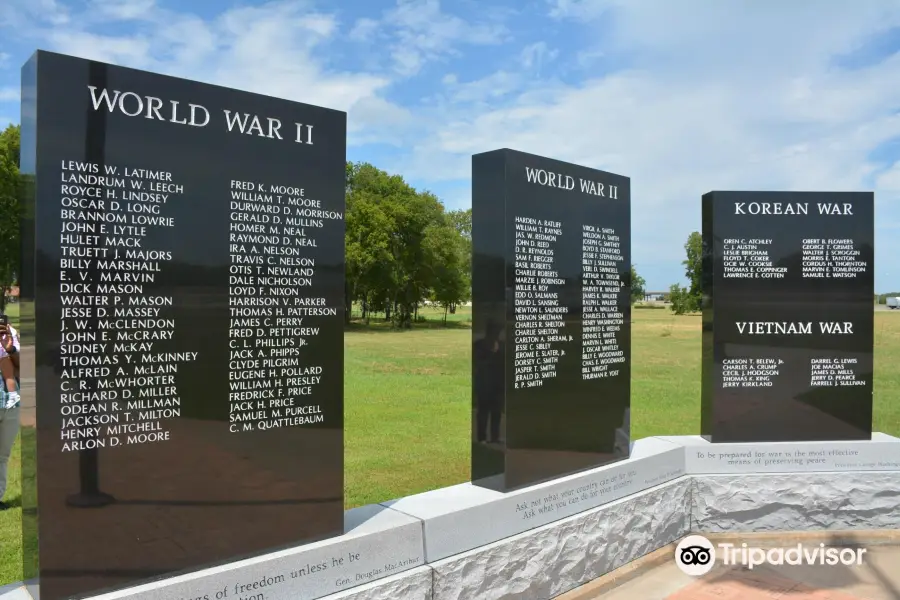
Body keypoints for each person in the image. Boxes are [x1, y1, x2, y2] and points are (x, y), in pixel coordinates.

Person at [0, 315, 20, 510]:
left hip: (10, 405)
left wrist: (10, 348)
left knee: (3, 455)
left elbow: (24, 366)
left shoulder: (10, 333)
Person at [474, 319, 504, 444]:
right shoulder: (479, 345)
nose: (496, 335)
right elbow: (479, 363)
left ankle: (495, 437)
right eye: (495, 332)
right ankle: (482, 437)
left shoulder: (501, 345)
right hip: (484, 383)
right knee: (483, 412)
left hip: (498, 384)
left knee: (496, 412)